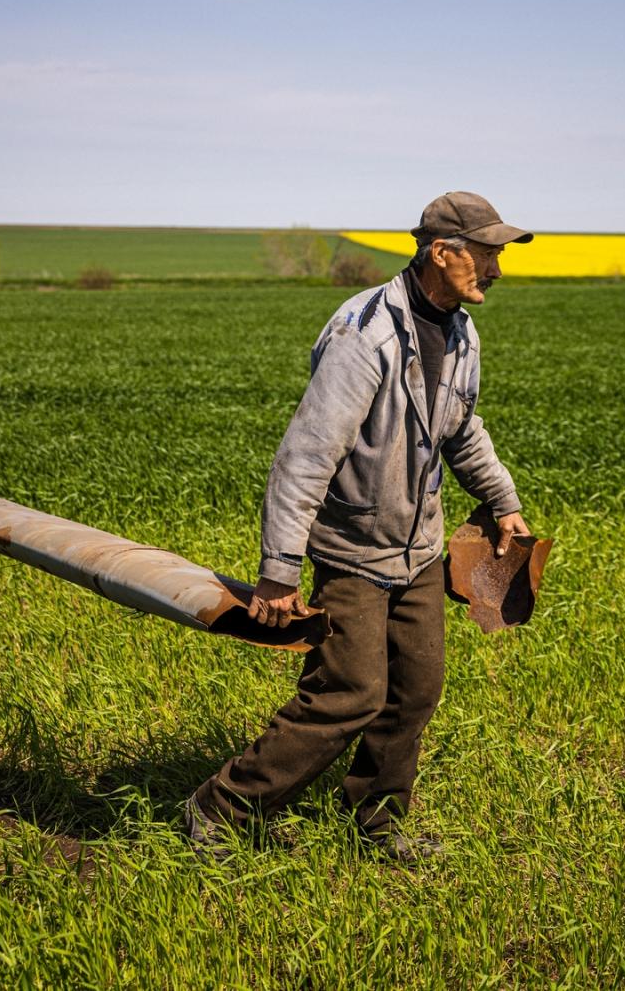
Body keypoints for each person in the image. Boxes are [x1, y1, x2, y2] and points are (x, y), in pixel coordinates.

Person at [186, 191, 533, 862]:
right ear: (443, 252)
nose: (495, 269)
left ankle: (375, 826)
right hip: (353, 550)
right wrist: (278, 572)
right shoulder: (363, 334)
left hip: (420, 550)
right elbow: (306, 456)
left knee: (416, 688)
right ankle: (221, 809)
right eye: (486, 254)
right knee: (348, 692)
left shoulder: (460, 331)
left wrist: (502, 499)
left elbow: (461, 429)